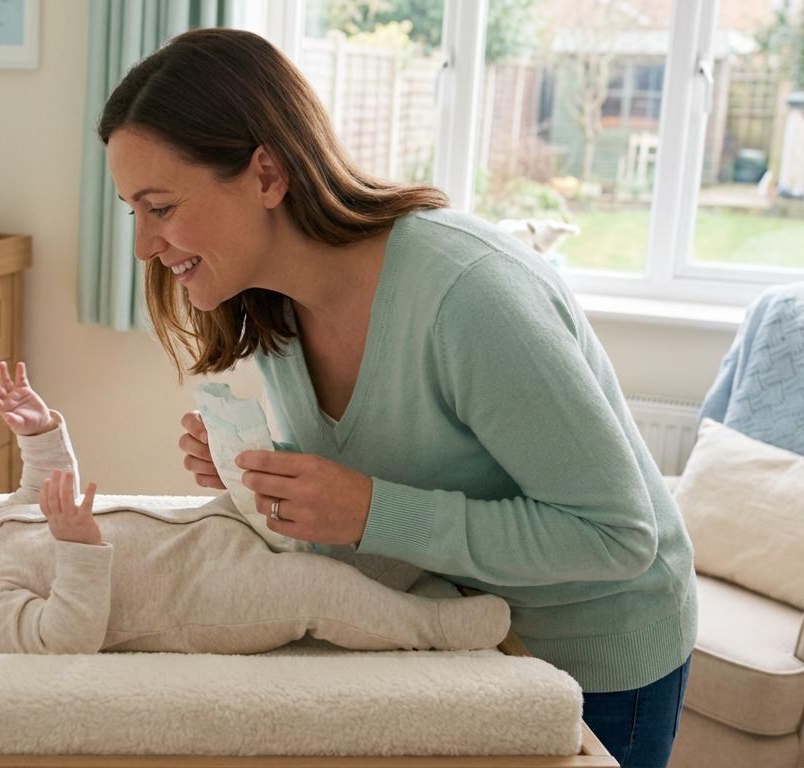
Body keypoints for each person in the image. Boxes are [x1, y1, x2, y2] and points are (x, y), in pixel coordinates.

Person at [99, 28, 695, 768]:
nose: (142, 247)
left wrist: (368, 510)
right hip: (460, 629)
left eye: (159, 206)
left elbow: (616, 536)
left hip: (592, 653)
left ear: (266, 174)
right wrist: (275, 480)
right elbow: (408, 466)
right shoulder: (272, 305)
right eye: (133, 211)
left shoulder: (469, 297)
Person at [0, 362, 510, 655]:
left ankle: (423, 563)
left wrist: (39, 430)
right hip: (211, 596)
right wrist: (77, 548)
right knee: (320, 592)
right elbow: (64, 641)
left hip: (214, 537)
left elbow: (45, 486)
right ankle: (434, 629)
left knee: (324, 535)